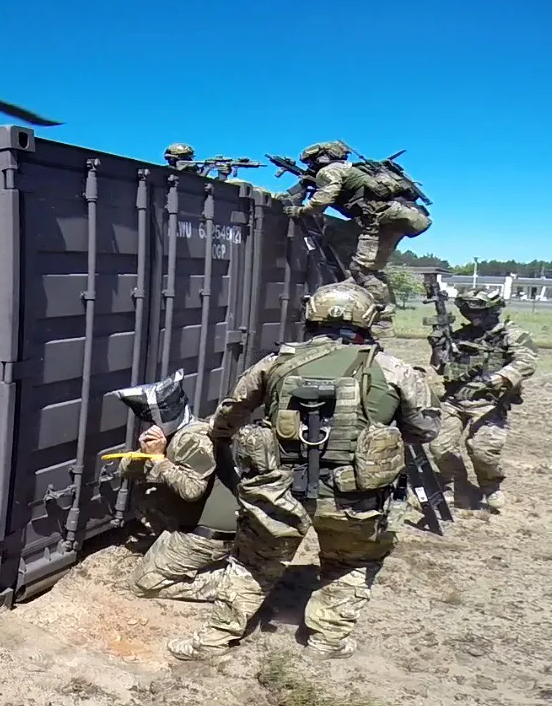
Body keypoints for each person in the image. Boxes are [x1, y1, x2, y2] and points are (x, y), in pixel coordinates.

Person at [167, 281, 439, 662]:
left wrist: (221, 437)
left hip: (278, 492)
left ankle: (211, 641)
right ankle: (327, 640)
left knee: (252, 565)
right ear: (367, 319)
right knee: (351, 563)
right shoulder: (392, 369)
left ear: (312, 316)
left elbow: (230, 413)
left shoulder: (275, 362)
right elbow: (426, 429)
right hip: (356, 497)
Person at [108, 371, 268, 603]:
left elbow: (192, 491)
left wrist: (159, 460)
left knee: (142, 584)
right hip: (202, 525)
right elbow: (126, 470)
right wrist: (145, 452)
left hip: (212, 534)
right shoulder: (175, 434)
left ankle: (237, 583)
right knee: (148, 493)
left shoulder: (193, 438)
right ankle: (175, 551)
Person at [280, 141, 432, 339]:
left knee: (362, 271)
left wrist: (300, 211)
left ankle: (382, 321)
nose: (311, 165)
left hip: (380, 220)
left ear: (321, 158)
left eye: (311, 161)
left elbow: (323, 200)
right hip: (391, 218)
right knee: (361, 268)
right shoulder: (347, 169)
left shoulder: (330, 171)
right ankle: (365, 310)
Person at [427, 287, 538, 511]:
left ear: (493, 310)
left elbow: (527, 361)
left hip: (489, 403)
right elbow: (440, 367)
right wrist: (438, 345)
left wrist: (497, 379)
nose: (472, 315)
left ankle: (490, 486)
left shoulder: (510, 334)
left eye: (478, 311)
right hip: (454, 400)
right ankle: (456, 485)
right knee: (439, 446)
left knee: (483, 451)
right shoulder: (461, 335)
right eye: (467, 311)